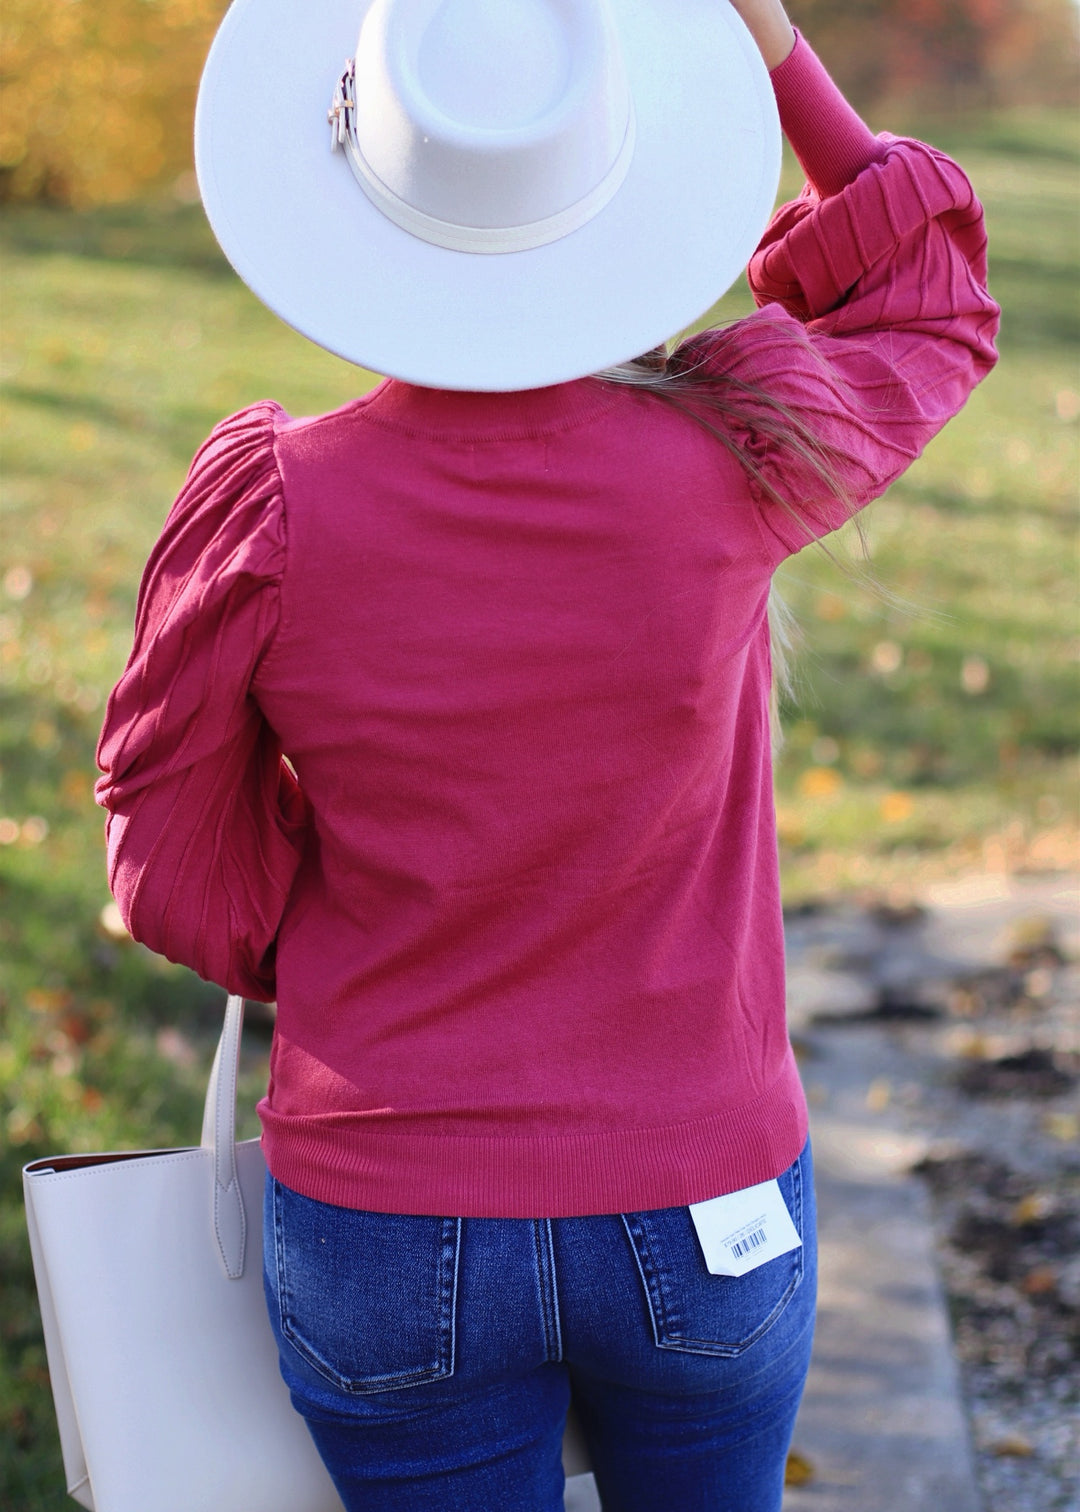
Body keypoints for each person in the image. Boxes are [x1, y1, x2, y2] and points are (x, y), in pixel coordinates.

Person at [95, 0, 999, 1507]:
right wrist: (775, 51)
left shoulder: (271, 513)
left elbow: (172, 871)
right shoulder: (742, 455)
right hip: (704, 1195)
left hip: (383, 1222)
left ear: (352, 177)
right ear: (616, 173)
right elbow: (932, 288)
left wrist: (334, 945)